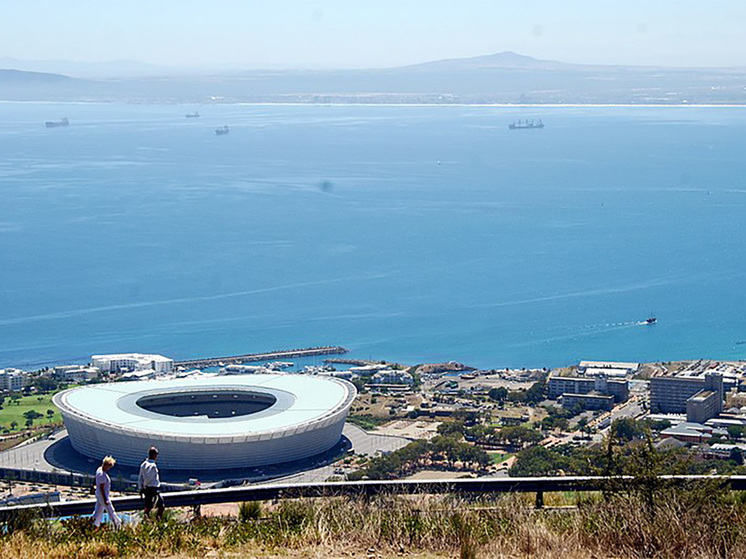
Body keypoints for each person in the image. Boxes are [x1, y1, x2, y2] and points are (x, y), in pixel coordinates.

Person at [92, 456, 121, 528]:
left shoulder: (98, 470)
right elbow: (102, 488)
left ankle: (94, 523)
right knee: (111, 511)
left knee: (98, 511)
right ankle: (117, 523)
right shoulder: (102, 475)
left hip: (99, 494)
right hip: (103, 495)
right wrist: (105, 499)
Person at [138, 446, 164, 520]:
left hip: (149, 489)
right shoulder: (152, 466)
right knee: (158, 506)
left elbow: (140, 478)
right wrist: (146, 485)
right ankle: (156, 520)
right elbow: (148, 478)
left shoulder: (143, 464)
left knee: (150, 506)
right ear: (153, 455)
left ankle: (148, 520)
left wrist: (141, 488)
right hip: (152, 489)